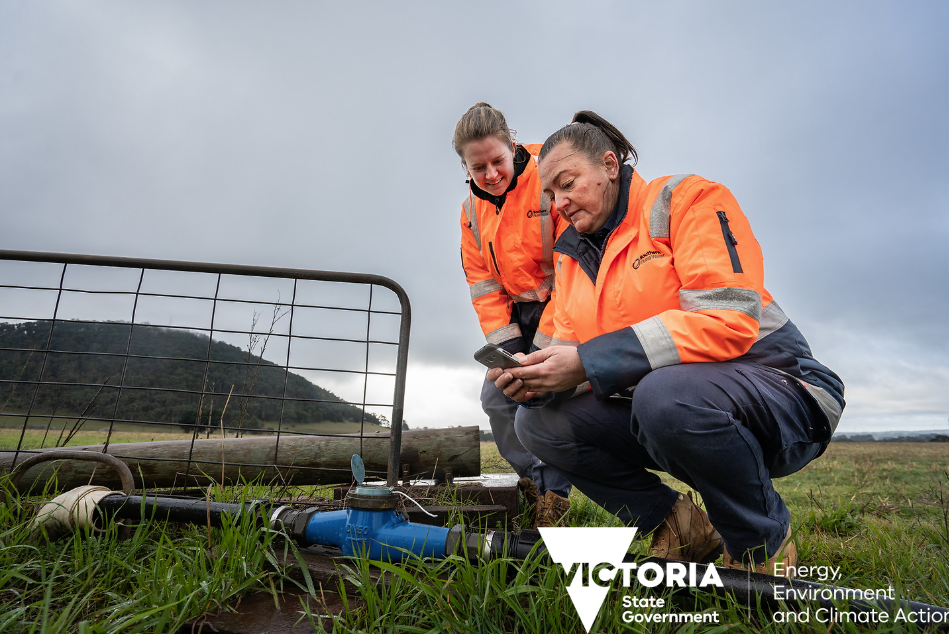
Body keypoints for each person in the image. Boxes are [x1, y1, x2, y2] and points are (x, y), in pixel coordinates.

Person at [489, 111, 845, 576]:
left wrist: (589, 361)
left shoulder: (686, 199)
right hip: (675, 410)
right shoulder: (571, 258)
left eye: (568, 183)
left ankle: (760, 546)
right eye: (550, 194)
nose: (559, 203)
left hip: (786, 392)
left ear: (610, 166)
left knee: (664, 394)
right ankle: (677, 525)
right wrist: (536, 381)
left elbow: (728, 318)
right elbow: (562, 355)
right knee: (538, 424)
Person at [452, 103, 573, 526]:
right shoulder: (470, 211)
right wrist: (510, 351)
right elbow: (483, 285)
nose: (490, 174)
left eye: (497, 161)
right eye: (478, 166)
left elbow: (571, 270)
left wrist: (539, 352)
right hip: (516, 316)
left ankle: (555, 499)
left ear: (513, 146)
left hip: (567, 305)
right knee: (496, 396)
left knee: (544, 396)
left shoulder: (550, 182)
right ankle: (536, 486)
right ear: (465, 166)